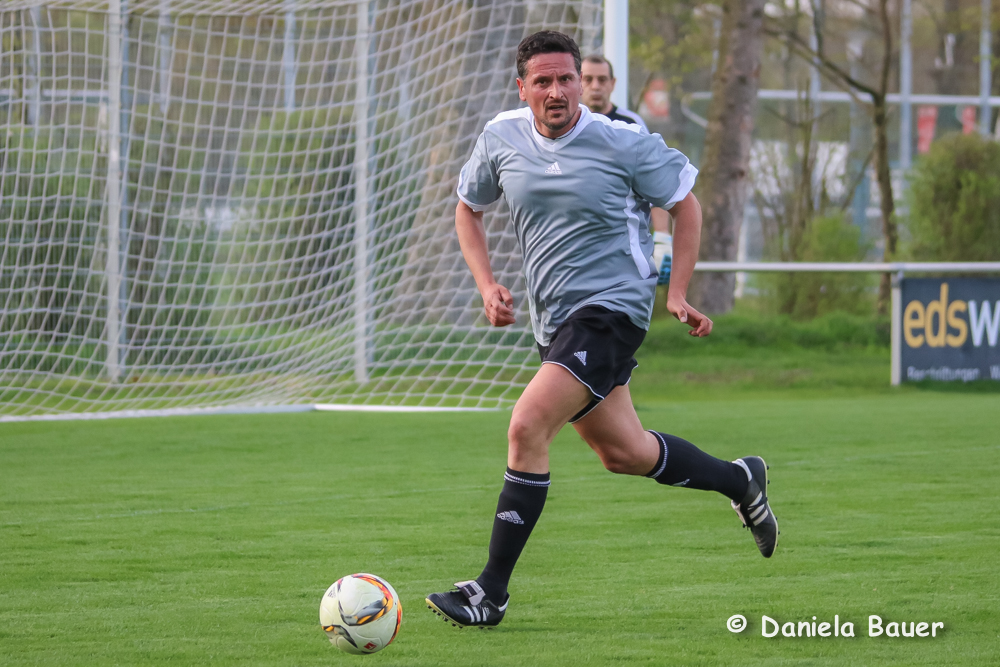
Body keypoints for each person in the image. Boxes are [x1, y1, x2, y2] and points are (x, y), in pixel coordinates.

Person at [425, 31, 778, 629]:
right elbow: (468, 207)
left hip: (613, 311)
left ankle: (490, 593)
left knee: (527, 425)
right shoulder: (500, 137)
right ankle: (741, 479)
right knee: (625, 453)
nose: (558, 91)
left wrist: (678, 290)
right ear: (523, 88)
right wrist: (487, 285)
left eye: (567, 79)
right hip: (556, 321)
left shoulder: (623, 142)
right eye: (544, 81)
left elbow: (687, 203)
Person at [582, 54, 672, 286]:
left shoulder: (631, 125)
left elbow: (655, 182)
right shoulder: (563, 125)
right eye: (588, 79)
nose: (595, 86)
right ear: (576, 81)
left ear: (613, 84)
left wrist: (662, 238)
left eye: (602, 80)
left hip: (622, 242)